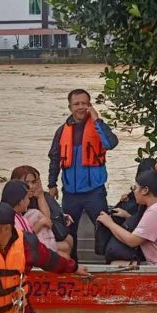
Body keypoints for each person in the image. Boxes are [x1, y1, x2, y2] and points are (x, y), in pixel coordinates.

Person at [47, 89, 119, 259]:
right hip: (70, 194)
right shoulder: (61, 131)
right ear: (70, 107)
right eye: (76, 104)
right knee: (68, 232)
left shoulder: (98, 126)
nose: (80, 107)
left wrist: (97, 119)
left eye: (84, 104)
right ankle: (72, 267)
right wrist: (52, 185)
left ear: (90, 105)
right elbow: (55, 159)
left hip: (95, 192)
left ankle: (111, 264)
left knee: (104, 229)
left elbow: (111, 143)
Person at [96, 158, 157, 263]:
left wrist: (109, 223)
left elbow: (132, 241)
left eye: (134, 188)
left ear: (145, 190)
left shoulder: (156, 212)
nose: (133, 192)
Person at [11, 165, 73, 258]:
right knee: (65, 252)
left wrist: (40, 196)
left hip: (38, 237)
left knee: (69, 240)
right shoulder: (16, 204)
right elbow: (46, 220)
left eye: (33, 182)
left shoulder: (38, 197)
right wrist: (41, 223)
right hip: (26, 244)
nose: (31, 186)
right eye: (27, 182)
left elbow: (48, 219)